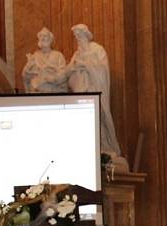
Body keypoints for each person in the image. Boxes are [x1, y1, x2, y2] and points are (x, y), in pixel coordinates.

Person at [67, 23, 122, 158]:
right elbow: (68, 72)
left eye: (80, 35)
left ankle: (104, 147)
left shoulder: (97, 49)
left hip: (95, 91)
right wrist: (74, 69)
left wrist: (85, 65)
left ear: (86, 35)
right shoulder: (77, 54)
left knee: (99, 120)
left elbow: (102, 69)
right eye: (76, 36)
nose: (78, 38)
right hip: (81, 93)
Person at [21, 27, 68, 93]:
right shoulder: (34, 56)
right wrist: (29, 68)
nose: (43, 38)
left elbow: (63, 72)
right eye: (41, 37)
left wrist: (53, 78)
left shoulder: (58, 55)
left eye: (45, 36)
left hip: (54, 89)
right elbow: (25, 75)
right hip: (38, 90)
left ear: (50, 39)